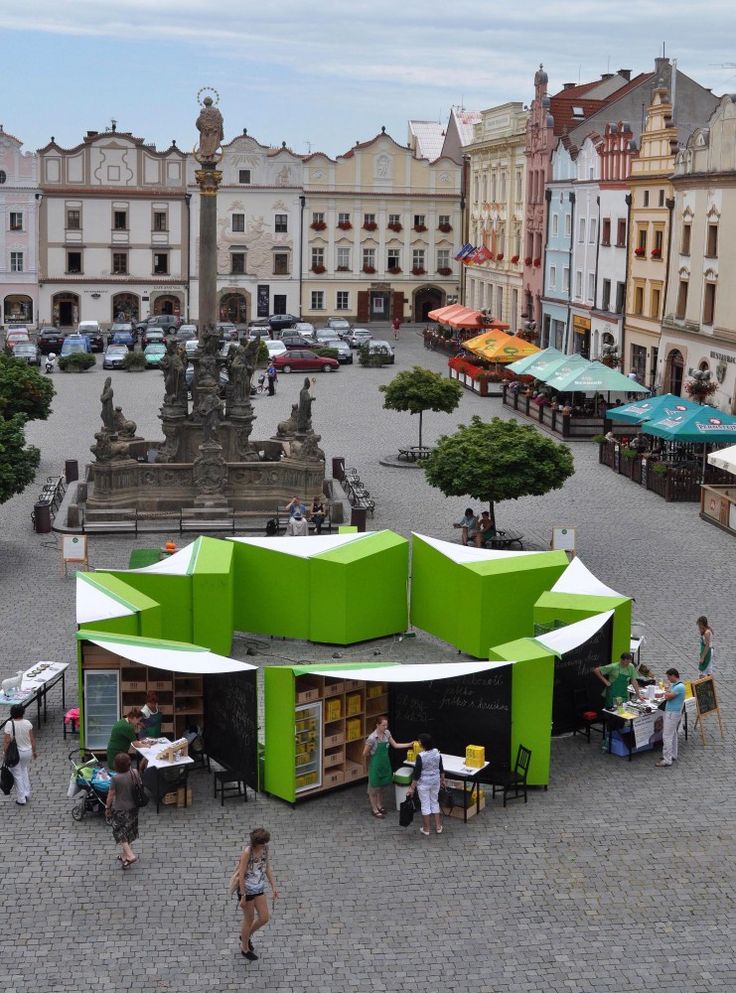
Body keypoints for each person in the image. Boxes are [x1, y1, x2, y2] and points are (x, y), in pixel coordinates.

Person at [237, 827, 279, 962]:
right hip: (247, 892)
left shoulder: (265, 849)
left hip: (259, 888)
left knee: (264, 918)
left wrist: (274, 886)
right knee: (248, 920)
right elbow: (241, 875)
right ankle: (244, 948)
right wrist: (243, 896)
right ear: (256, 843)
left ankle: (246, 935)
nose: (265, 845)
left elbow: (267, 868)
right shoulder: (247, 853)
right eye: (263, 843)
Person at [361, 716, 412, 818]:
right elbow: (364, 753)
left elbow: (396, 745)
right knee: (373, 788)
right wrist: (372, 759)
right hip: (375, 766)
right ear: (377, 725)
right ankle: (374, 809)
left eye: (386, 725)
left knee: (382, 786)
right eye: (383, 725)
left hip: (385, 764)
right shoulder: (372, 738)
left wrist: (409, 744)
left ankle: (379, 805)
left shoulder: (387, 733)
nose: (385, 727)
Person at [104, 752, 140, 869]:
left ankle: (130, 855)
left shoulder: (115, 778)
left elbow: (110, 795)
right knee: (128, 830)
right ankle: (124, 857)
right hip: (134, 807)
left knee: (119, 832)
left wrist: (107, 807)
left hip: (120, 809)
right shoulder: (134, 772)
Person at [407, 733, 446, 836]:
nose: (418, 742)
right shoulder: (437, 752)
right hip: (435, 781)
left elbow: (417, 773)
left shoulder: (421, 756)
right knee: (434, 801)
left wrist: (412, 787)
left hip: (424, 783)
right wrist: (442, 780)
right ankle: (438, 827)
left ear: (423, 743)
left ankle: (426, 828)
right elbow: (441, 767)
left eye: (419, 741)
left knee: (425, 804)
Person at [2, 704, 36, 805]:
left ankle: (21, 799)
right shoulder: (27, 723)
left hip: (15, 754)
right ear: (23, 713)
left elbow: (7, 741)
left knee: (17, 775)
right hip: (27, 752)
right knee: (24, 770)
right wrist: (34, 752)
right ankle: (27, 793)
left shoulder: (9, 724)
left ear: (12, 713)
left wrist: (4, 753)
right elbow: (32, 739)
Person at [656, 668, 686, 768]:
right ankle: (673, 754)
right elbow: (668, 692)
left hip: (672, 714)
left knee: (667, 736)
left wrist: (665, 694)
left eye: (669, 677)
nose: (668, 679)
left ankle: (667, 759)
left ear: (673, 675)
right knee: (673, 734)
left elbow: (669, 696)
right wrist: (666, 692)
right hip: (673, 713)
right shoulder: (676, 685)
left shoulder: (679, 687)